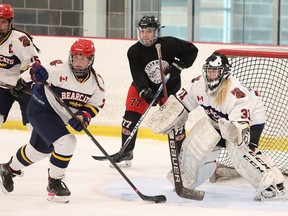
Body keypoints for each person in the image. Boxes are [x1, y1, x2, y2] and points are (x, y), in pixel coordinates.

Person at [148, 52, 286, 201]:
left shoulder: (236, 93)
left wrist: (234, 136)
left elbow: (237, 131)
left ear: (224, 73)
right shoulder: (198, 84)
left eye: (215, 71)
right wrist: (169, 117)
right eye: (209, 71)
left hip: (251, 119)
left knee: (239, 150)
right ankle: (186, 180)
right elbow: (181, 102)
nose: (211, 75)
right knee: (197, 145)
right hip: (219, 120)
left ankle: (272, 186)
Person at [0, 39, 105, 203]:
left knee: (38, 151)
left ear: (91, 60)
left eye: (84, 59)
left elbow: (96, 104)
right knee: (67, 142)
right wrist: (22, 82)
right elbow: (35, 70)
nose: (78, 63)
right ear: (70, 57)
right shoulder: (58, 69)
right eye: (76, 57)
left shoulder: (96, 82)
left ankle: (8, 168)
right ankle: (54, 184)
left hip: (58, 118)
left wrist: (82, 117)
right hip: (41, 109)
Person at [113, 15, 198, 167]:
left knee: (176, 123)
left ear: (157, 32)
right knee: (129, 120)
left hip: (168, 89)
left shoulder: (169, 44)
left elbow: (192, 50)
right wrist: (144, 90)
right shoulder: (134, 51)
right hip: (143, 87)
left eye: (149, 31)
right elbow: (137, 74)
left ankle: (181, 156)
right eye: (143, 31)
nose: (145, 35)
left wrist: (179, 65)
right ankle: (126, 151)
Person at [0, 4, 40, 131]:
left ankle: (43, 150)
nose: (0, 26)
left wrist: (23, 81)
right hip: (1, 88)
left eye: (3, 22)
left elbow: (35, 65)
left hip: (24, 87)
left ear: (10, 22)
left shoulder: (20, 40)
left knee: (35, 127)